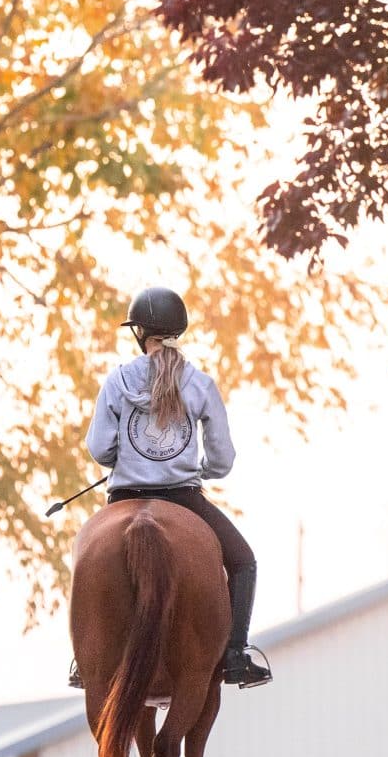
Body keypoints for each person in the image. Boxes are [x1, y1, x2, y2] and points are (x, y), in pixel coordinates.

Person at [78, 285, 270, 687]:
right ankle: (235, 654)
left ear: (139, 332)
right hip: (184, 501)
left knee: (86, 560)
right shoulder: (199, 384)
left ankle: (86, 657)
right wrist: (201, 468)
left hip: (124, 497)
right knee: (243, 561)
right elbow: (223, 458)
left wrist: (127, 457)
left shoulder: (118, 381)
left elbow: (99, 448)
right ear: (178, 331)